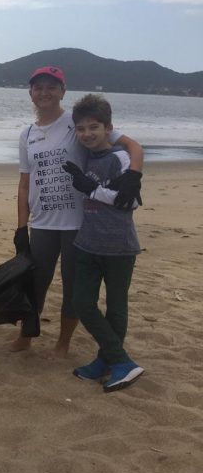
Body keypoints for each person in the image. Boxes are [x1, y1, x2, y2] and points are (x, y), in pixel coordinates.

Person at [12, 66, 143, 356]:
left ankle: (63, 342)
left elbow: (132, 145)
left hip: (78, 223)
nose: (44, 92)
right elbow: (24, 184)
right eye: (38, 87)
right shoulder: (27, 134)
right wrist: (22, 226)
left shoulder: (77, 123)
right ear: (31, 93)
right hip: (42, 222)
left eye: (51, 87)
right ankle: (26, 336)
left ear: (62, 91)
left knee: (73, 287)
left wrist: (134, 174)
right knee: (35, 282)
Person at [62, 94, 144, 392]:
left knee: (116, 306)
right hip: (87, 242)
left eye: (93, 127)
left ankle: (114, 361)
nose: (87, 134)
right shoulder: (88, 157)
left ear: (108, 127)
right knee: (82, 302)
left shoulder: (120, 157)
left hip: (119, 246)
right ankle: (113, 358)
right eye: (81, 129)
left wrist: (91, 188)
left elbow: (130, 201)